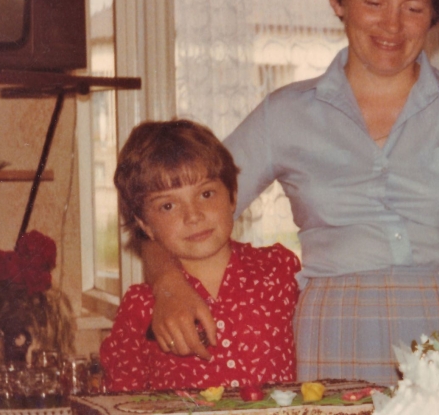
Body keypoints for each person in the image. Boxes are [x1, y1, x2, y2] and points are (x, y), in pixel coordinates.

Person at [142, 0, 439, 386]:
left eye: (414, 7)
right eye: (374, 1)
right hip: (336, 327)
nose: (393, 25)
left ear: (433, 16)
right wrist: (168, 285)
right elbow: (176, 211)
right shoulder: (284, 115)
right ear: (338, 0)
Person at [101, 120, 300, 392]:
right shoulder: (140, 307)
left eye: (206, 194)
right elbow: (120, 400)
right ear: (145, 224)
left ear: (232, 196)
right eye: (168, 206)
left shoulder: (279, 270)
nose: (193, 215)